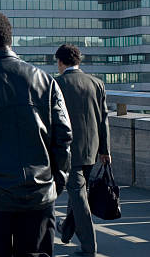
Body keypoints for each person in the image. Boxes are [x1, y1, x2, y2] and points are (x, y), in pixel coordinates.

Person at [0, 12, 72, 257]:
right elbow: (63, 137)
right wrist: (56, 181)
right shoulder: (45, 80)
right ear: (11, 38)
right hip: (39, 194)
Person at [55, 44, 111, 256]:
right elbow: (103, 119)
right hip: (92, 150)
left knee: (78, 196)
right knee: (77, 193)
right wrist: (105, 150)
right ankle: (66, 231)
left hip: (69, 151)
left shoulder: (56, 84)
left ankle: (89, 247)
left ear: (61, 62)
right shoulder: (96, 83)